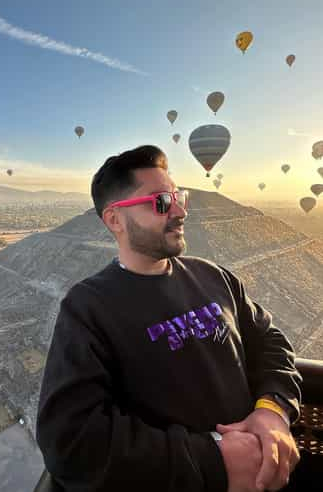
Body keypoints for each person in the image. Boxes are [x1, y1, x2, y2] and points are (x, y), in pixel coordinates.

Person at [36, 145, 318, 491]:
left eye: (178, 196)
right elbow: (73, 442)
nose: (181, 210)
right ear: (115, 220)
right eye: (161, 202)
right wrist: (214, 459)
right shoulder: (88, 308)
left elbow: (272, 343)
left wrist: (272, 410)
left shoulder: (215, 277)